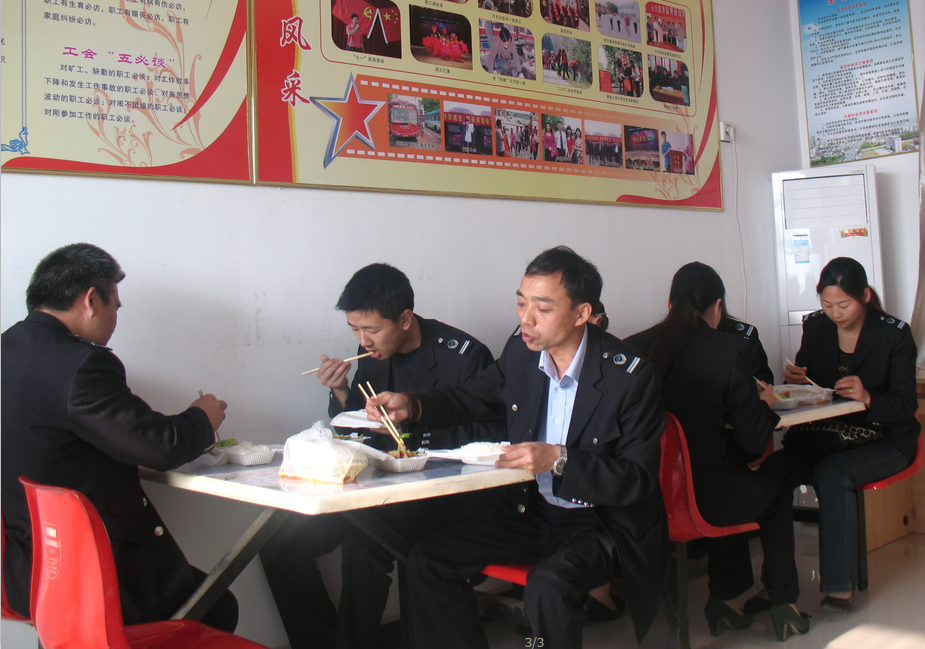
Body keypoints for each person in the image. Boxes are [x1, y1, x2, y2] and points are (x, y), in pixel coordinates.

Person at [366, 246, 669, 648]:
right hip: (533, 511)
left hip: (600, 523)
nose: (526, 318)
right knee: (428, 560)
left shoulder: (629, 377)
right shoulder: (522, 353)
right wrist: (413, 404)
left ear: (581, 313)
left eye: (542, 308)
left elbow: (637, 478)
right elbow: (474, 396)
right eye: (521, 302)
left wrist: (558, 459)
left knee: (548, 586)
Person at [259, 263, 507, 649]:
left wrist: (417, 430)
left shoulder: (463, 355)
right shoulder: (371, 353)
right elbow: (359, 423)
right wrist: (341, 391)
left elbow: (493, 435)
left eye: (372, 330)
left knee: (364, 548)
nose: (363, 340)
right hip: (378, 487)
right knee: (279, 544)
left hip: (440, 495)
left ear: (405, 319)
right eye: (355, 330)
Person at [1, 243, 237, 631]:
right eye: (116, 306)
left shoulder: (7, 348)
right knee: (215, 605)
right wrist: (203, 418)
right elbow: (158, 446)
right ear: (91, 299)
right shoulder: (82, 365)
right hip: (97, 577)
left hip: (28, 567)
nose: (115, 319)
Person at [626, 262, 809, 641]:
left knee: (729, 477)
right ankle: (784, 604)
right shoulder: (729, 351)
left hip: (646, 500)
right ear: (718, 307)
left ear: (670, 302)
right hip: (705, 501)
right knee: (773, 489)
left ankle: (726, 599)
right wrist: (763, 404)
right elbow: (755, 443)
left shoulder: (632, 349)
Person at [763, 257, 921, 613]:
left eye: (844, 305)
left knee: (832, 474)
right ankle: (777, 588)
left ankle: (840, 586)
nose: (835, 313)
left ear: (865, 296)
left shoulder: (894, 333)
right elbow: (810, 385)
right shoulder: (816, 326)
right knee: (772, 472)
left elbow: (905, 404)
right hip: (824, 437)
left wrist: (867, 397)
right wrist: (795, 378)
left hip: (885, 439)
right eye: (827, 304)